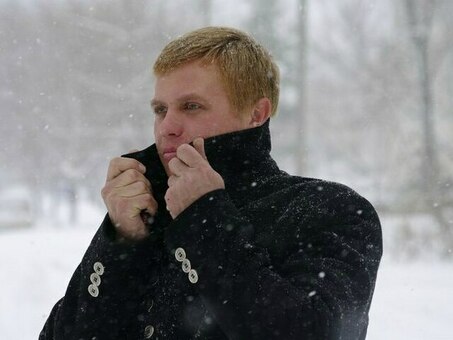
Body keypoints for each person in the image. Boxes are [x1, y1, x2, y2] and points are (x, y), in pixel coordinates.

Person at [40, 26, 382, 340]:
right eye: (160, 109)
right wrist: (121, 243)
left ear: (256, 113)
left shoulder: (331, 209)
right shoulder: (147, 210)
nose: (167, 127)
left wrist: (205, 220)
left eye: (191, 106)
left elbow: (310, 332)